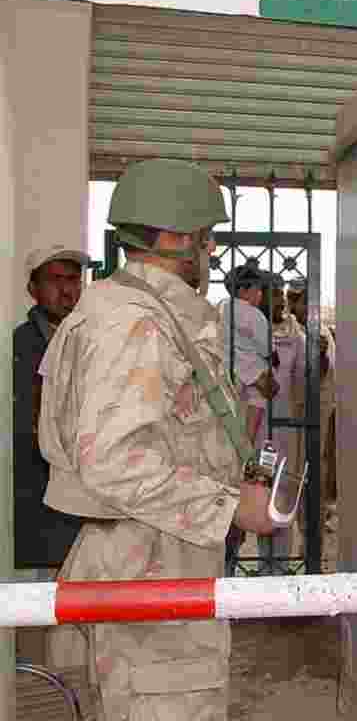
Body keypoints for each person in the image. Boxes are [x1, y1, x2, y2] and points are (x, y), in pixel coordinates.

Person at [38, 158, 275, 721]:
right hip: (149, 557)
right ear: (173, 237)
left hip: (152, 548)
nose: (210, 252)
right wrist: (229, 507)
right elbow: (113, 460)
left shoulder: (138, 311)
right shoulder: (132, 321)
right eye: (205, 237)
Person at [13, 244, 90, 667]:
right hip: (39, 510)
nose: (67, 289)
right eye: (55, 280)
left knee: (80, 633)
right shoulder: (19, 347)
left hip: (86, 509)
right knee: (36, 634)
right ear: (33, 288)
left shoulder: (89, 339)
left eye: (73, 279)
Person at [257, 272, 307, 575]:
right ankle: (247, 567)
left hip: (285, 430)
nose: (279, 301)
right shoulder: (243, 333)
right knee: (253, 494)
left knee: (282, 495)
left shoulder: (295, 336)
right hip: (252, 433)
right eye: (272, 294)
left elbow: (303, 381)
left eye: (280, 294)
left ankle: (278, 569)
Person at [285, 276, 335, 542]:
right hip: (286, 419)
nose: (293, 304)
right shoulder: (286, 331)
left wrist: (321, 356)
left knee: (311, 474)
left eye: (299, 299)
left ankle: (310, 540)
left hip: (313, 420)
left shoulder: (321, 335)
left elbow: (323, 377)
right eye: (291, 298)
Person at [219, 261, 277, 444]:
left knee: (229, 412)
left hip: (229, 368)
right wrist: (274, 357)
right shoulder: (254, 314)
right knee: (259, 402)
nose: (260, 294)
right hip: (255, 372)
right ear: (243, 291)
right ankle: (247, 443)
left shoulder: (221, 307)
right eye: (257, 290)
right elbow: (266, 347)